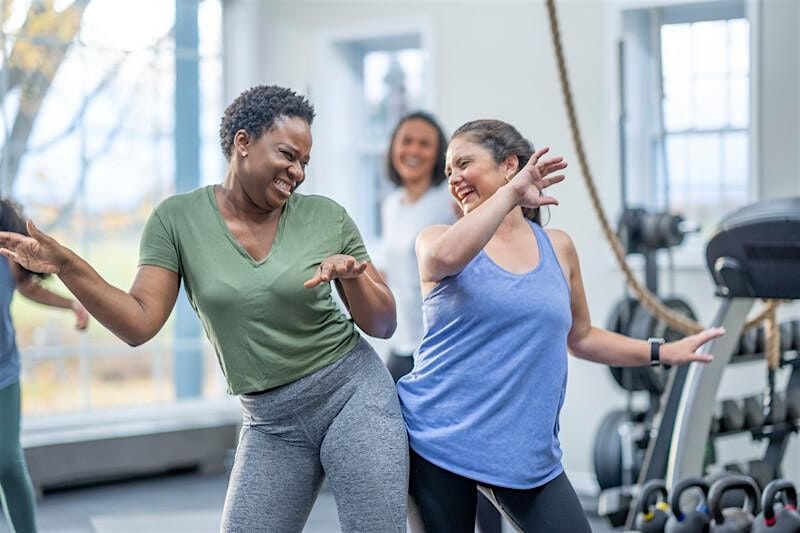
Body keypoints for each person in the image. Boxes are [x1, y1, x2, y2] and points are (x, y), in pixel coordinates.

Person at [0, 86, 409, 533]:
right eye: (288, 155)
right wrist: (66, 264)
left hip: (351, 393)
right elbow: (138, 322)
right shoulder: (177, 220)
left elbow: (383, 324)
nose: (298, 172)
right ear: (242, 142)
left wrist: (354, 275)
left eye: (305, 163)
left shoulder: (327, 217)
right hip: (271, 421)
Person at [397, 119, 724, 532]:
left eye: (464, 163)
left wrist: (661, 351)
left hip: (525, 449)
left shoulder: (558, 247)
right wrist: (512, 194)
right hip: (439, 439)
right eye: (448, 171)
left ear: (508, 165)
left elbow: (582, 337)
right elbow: (444, 259)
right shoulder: (437, 238)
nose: (454, 178)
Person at [380, 112, 502, 532]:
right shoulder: (392, 205)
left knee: (468, 466)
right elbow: (396, 273)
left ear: (436, 156)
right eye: (406, 140)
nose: (412, 150)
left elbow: (478, 254)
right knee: (413, 465)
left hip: (444, 350)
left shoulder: (447, 202)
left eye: (424, 144)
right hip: (402, 347)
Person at [0, 198, 89, 533]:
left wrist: (71, 304)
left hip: (3, 372)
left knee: (7, 462)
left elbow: (26, 287)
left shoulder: (6, 246)